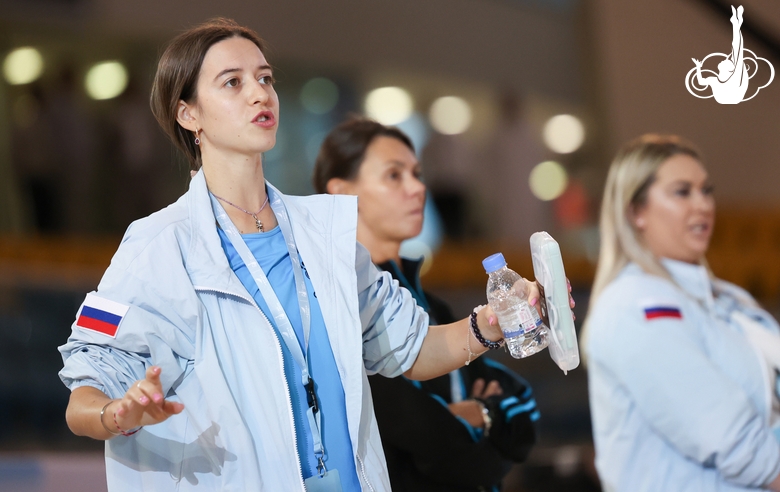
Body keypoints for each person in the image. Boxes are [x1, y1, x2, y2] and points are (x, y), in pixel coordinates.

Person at [57, 18, 536, 492]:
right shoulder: (156, 245)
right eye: (233, 82)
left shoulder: (323, 234)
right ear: (189, 115)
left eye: (265, 78)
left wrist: (489, 325)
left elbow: (410, 347)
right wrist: (115, 414)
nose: (259, 93)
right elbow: (86, 388)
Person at [313, 117, 540, 492]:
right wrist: (487, 433)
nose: (417, 187)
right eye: (394, 175)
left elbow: (524, 407)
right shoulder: (345, 313)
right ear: (341, 194)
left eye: (417, 173)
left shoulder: (436, 308)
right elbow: (425, 442)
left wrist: (479, 413)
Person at [584, 134, 780, 491]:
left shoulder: (724, 295)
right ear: (636, 211)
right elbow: (730, 439)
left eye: (707, 191)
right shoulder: (634, 304)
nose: (703, 205)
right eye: (682, 192)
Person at [692, 5, 749, 104]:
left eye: (727, 61)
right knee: (737, 52)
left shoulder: (730, 78)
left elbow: (737, 49)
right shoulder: (718, 79)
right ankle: (736, 24)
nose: (725, 59)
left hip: (731, 96)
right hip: (729, 97)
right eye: (728, 61)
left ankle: (736, 24)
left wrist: (698, 67)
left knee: (737, 51)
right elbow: (701, 82)